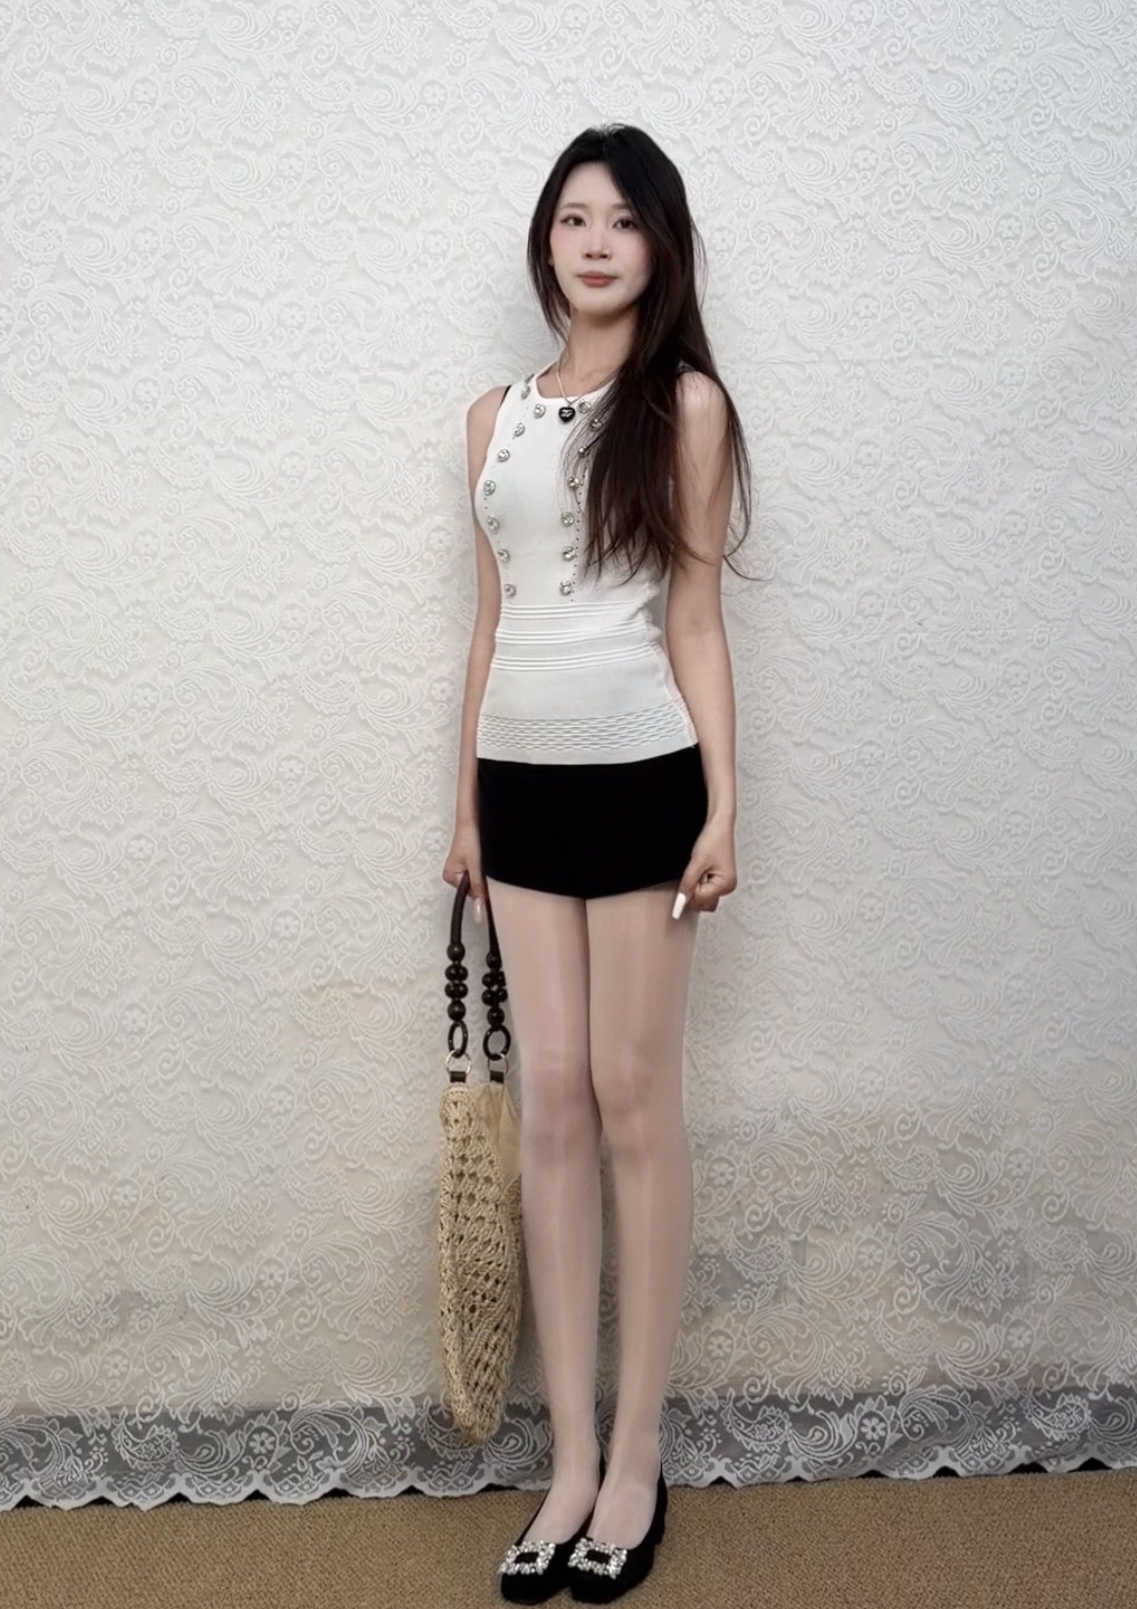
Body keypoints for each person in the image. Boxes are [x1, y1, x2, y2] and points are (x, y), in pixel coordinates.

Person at [441, 123, 752, 1604]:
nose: (595, 242)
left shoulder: (682, 405)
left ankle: (637, 1460)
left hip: (640, 783)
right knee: (550, 1103)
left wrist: (724, 807)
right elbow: (491, 624)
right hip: (518, 788)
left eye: (623, 221)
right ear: (546, 241)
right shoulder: (490, 418)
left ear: (659, 246)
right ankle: (566, 1461)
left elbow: (694, 619)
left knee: (634, 1099)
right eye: (573, 217)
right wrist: (463, 811)